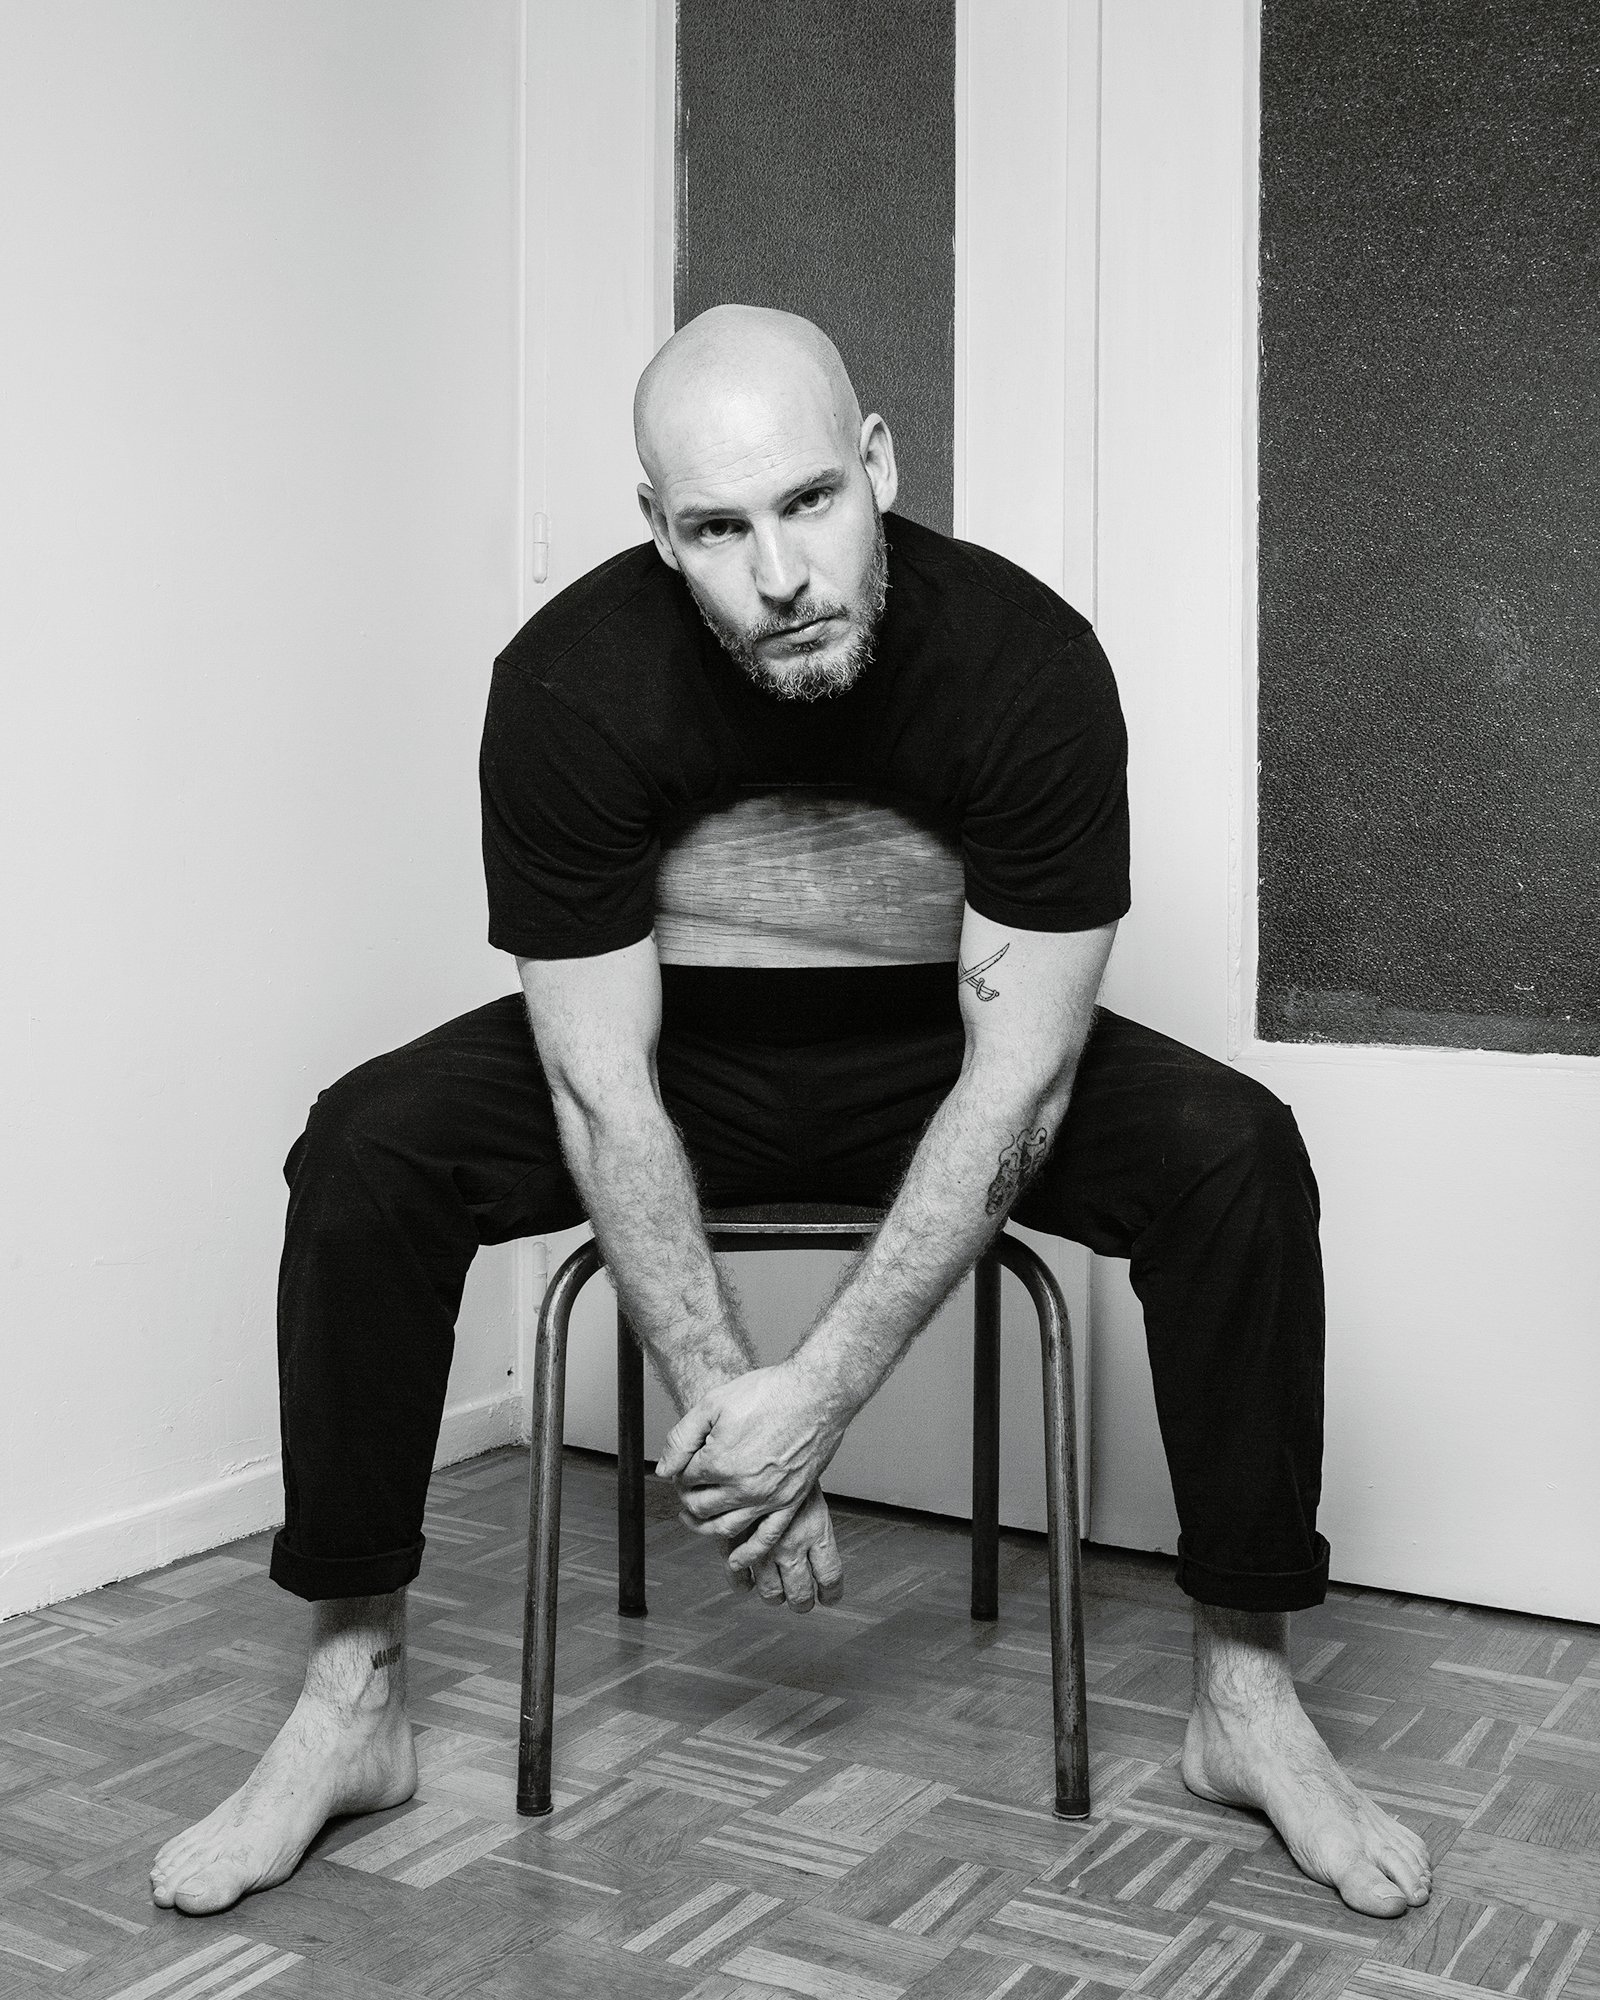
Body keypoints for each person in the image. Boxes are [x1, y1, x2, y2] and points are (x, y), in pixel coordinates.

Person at [150, 305, 1432, 1920]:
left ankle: (1245, 1699)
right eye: (717, 528)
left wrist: (813, 1398)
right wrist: (729, 1414)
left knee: (1232, 1154)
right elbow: (600, 1082)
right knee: (365, 1147)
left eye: (811, 501)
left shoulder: (1025, 661)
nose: (779, 574)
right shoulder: (568, 681)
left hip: (940, 1057)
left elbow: (1022, 1076)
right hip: (675, 1063)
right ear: (657, 529)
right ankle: (353, 1701)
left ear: (878, 463)